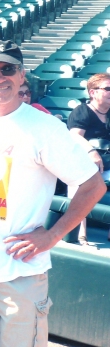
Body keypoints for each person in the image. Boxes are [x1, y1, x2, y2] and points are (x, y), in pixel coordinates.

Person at [0, 40, 106, 347]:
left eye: (8, 69)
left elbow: (93, 185)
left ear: (22, 75)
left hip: (19, 270)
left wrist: (52, 236)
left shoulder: (44, 127)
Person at [67, 73, 110, 245]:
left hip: (106, 164)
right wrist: (91, 151)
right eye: (108, 88)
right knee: (78, 182)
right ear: (93, 93)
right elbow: (74, 136)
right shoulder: (82, 111)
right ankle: (80, 231)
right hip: (83, 162)